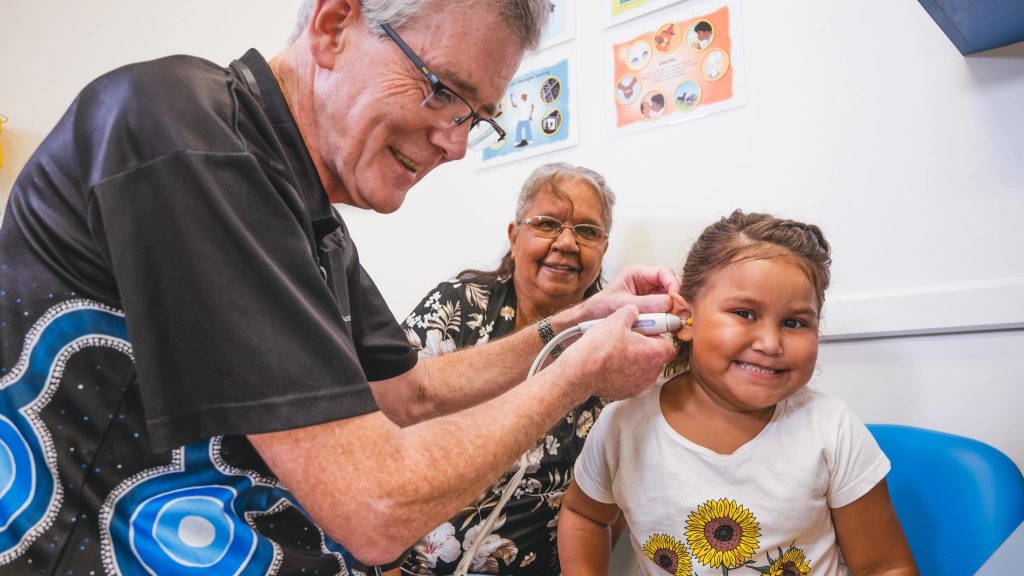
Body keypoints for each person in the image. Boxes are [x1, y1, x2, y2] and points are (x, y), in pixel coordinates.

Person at [0, 1, 681, 574]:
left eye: (477, 116)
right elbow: (376, 507)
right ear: (333, 27)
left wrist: (578, 326)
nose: (456, 144)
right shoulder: (184, 136)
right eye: (443, 89)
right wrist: (578, 375)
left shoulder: (313, 218)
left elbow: (410, 393)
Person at [558, 211, 919, 575]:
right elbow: (584, 515)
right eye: (745, 313)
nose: (770, 343)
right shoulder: (623, 424)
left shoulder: (832, 429)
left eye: (794, 322)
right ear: (685, 318)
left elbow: (885, 567)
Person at [395, 163, 624, 575]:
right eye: (547, 224)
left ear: (603, 249)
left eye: (587, 231)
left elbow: (614, 496)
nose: (567, 243)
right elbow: (383, 423)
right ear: (514, 236)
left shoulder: (616, 345)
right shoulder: (458, 307)